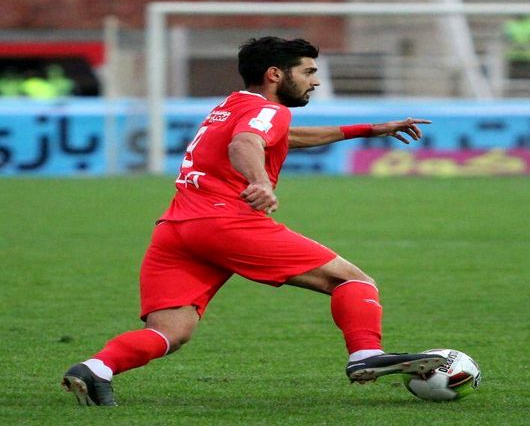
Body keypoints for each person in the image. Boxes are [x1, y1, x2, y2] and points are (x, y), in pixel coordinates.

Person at [61, 36, 447, 406]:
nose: (314, 82)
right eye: (308, 72)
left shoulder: (232, 106)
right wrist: (260, 181)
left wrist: (368, 129)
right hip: (226, 222)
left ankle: (96, 369)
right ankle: (365, 354)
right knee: (352, 281)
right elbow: (245, 143)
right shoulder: (269, 110)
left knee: (170, 332)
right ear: (275, 74)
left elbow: (284, 138)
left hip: (178, 228)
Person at [502, 14, 530, 80]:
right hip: (514, 58)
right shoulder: (509, 25)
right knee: (514, 81)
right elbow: (506, 40)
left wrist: (522, 46)